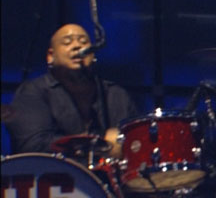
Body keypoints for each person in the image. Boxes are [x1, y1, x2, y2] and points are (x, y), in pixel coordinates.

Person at [6, 23, 138, 159]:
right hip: (55, 172)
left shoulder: (116, 95)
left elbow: (138, 144)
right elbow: (33, 146)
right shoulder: (32, 92)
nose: (77, 46)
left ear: (92, 54)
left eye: (83, 42)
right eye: (67, 42)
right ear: (50, 56)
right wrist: (100, 145)